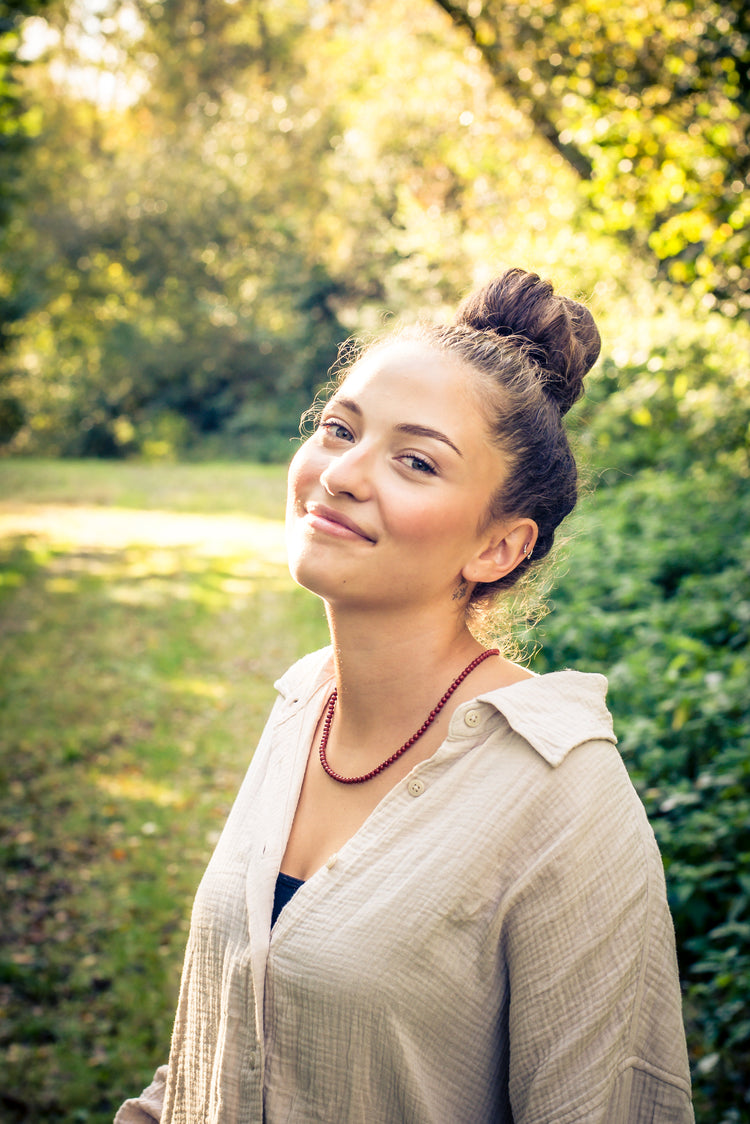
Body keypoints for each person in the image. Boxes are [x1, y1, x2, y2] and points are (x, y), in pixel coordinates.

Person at [115, 269, 694, 1123]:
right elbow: (219, 1046)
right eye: (338, 429)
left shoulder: (561, 793)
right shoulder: (304, 704)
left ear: (499, 547)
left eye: (416, 461)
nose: (342, 474)